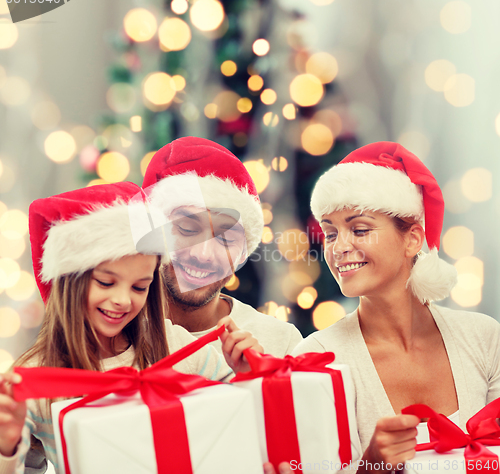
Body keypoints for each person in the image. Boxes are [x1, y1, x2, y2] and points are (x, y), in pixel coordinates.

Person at [0, 182, 261, 474]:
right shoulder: (38, 379)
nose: (123, 300)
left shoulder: (178, 347)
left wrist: (249, 378)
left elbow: (241, 430)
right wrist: (6, 447)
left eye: (139, 287)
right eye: (106, 282)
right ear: (69, 281)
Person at [292, 141, 500, 472]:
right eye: (330, 233)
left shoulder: (484, 337)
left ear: (413, 239)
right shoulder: (317, 360)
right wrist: (371, 466)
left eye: (359, 229)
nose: (339, 247)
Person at [142, 136, 303, 358]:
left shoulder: (280, 344)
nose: (203, 254)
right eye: (187, 229)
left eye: (226, 239)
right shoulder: (106, 334)